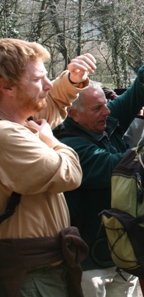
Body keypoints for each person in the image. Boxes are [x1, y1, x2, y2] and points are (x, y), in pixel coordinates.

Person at [0, 38, 96, 297]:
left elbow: (49, 103)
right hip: (29, 275)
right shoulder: (6, 135)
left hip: (42, 268)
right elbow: (70, 175)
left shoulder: (18, 122)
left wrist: (72, 80)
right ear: (6, 86)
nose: (47, 84)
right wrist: (54, 142)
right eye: (37, 79)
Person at [54, 64, 144, 296]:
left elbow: (135, 93)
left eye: (105, 105)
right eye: (97, 108)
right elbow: (117, 167)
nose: (106, 112)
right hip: (89, 264)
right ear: (73, 113)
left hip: (122, 254)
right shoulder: (70, 146)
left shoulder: (102, 121)